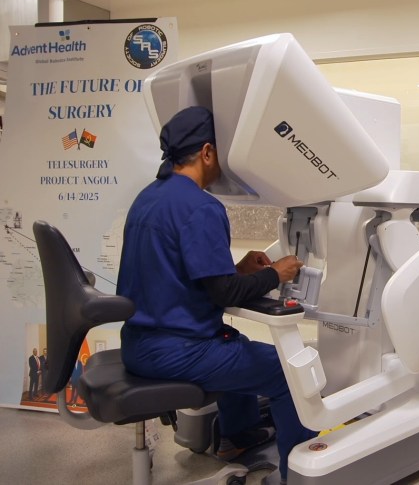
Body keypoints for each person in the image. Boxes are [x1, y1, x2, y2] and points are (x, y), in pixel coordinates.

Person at [117, 106, 316, 483]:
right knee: (287, 369)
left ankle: (236, 438)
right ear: (208, 152)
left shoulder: (149, 197)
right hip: (176, 351)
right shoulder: (201, 207)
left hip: (139, 344)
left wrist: (239, 269)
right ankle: (299, 475)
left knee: (234, 342)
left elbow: (181, 275)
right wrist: (275, 273)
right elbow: (224, 293)